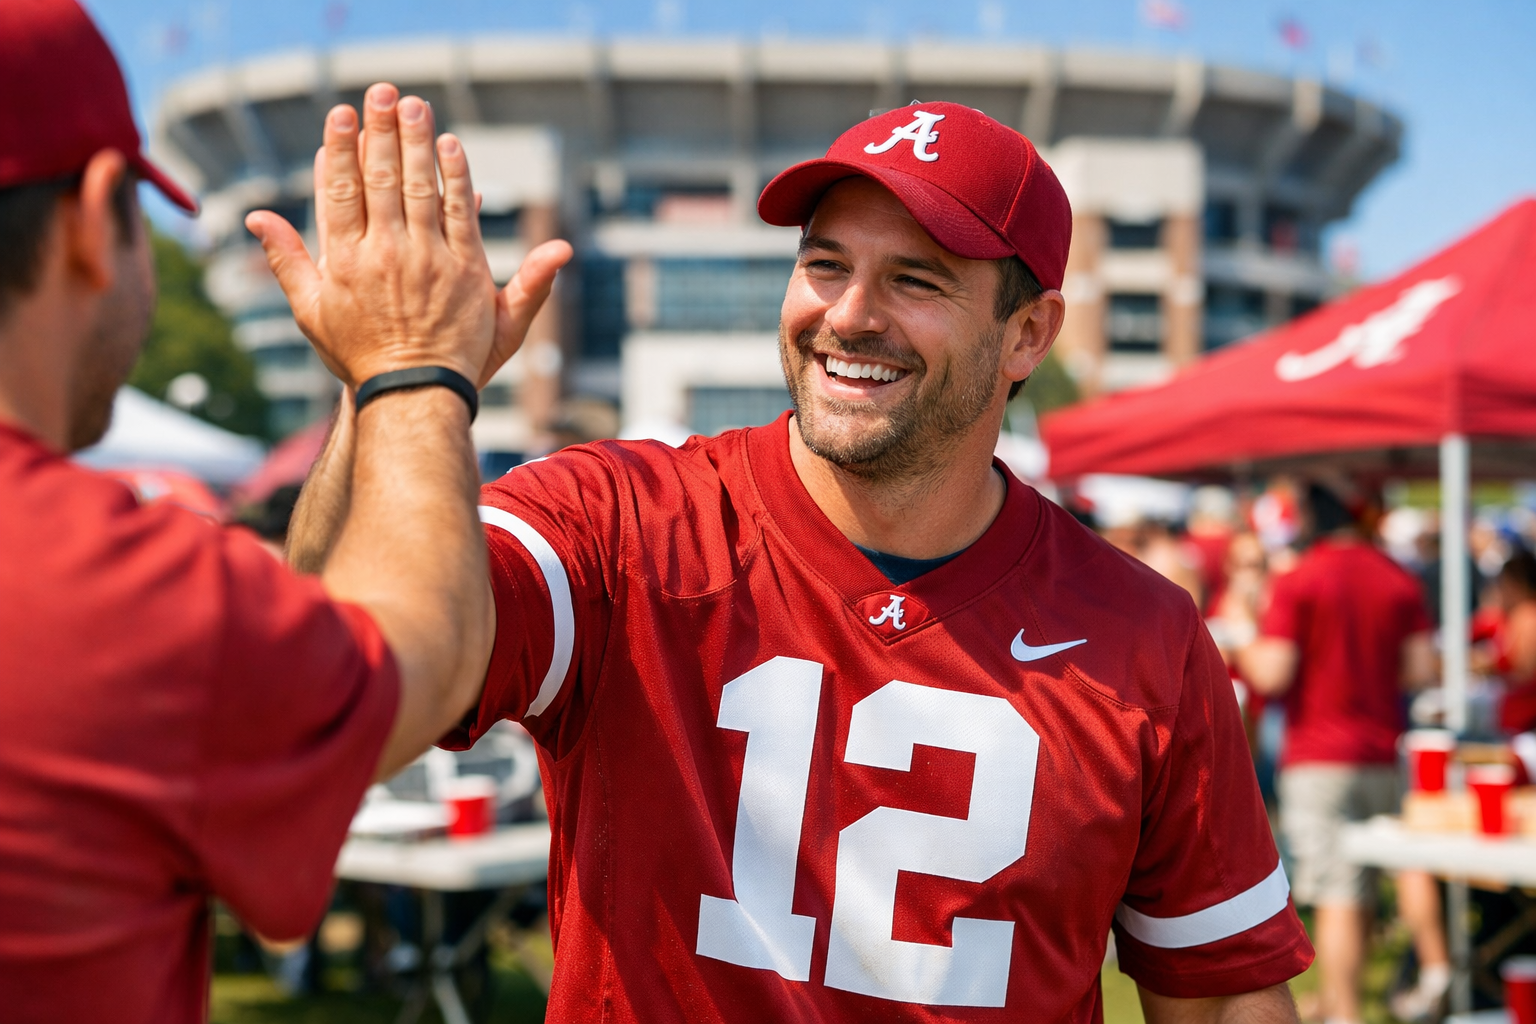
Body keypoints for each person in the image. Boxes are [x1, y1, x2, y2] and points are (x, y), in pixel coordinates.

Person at [279, 99, 1313, 1022]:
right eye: (825, 263)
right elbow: (338, 683)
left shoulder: (1143, 631)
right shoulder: (620, 521)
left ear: (1029, 335)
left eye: (915, 279)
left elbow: (1222, 994)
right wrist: (390, 383)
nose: (850, 313)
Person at [0, 3, 568, 1020]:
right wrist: (415, 366)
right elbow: (415, 657)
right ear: (95, 218)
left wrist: (377, 392)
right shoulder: (108, 592)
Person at [1241, 481, 1439, 1024]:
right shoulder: (1396, 575)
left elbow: (1273, 670)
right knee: (1372, 883)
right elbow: (1421, 669)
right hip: (1384, 749)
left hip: (1319, 754)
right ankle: (1396, 985)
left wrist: (1243, 648)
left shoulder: (1300, 579)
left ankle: (1344, 1013)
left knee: (1336, 895)